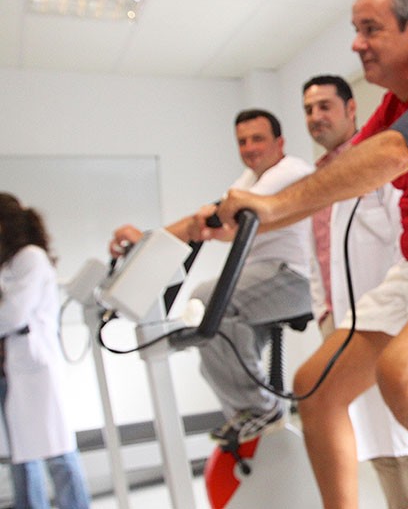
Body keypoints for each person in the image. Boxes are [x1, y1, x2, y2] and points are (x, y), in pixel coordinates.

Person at [210, 0, 408, 509]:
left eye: (369, 29)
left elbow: (397, 152)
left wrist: (273, 204)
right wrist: (241, 216)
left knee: (402, 377)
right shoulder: (396, 104)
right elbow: (338, 174)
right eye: (356, 30)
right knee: (315, 387)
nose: (356, 44)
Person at [109, 109, 313, 444]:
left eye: (257, 138)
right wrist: (149, 241)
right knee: (212, 344)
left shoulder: (289, 172)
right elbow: (204, 224)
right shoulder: (247, 181)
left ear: (280, 142)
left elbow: (215, 218)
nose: (249, 147)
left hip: (295, 278)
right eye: (242, 141)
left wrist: (147, 241)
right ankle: (251, 420)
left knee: (208, 301)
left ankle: (261, 410)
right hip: (263, 277)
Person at [302, 74, 408, 508]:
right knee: (373, 436)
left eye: (325, 106)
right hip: (344, 320)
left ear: (350, 109)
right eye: (308, 109)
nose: (316, 117)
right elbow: (315, 258)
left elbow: (407, 243)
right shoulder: (322, 179)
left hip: (391, 320)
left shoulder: (379, 166)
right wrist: (324, 312)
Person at [0, 193, 91, 509]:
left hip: (35, 365)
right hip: (15, 368)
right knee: (24, 454)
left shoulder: (30, 257)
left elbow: (13, 314)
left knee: (58, 451)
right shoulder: (10, 260)